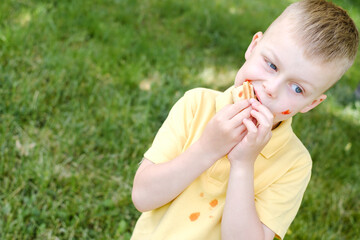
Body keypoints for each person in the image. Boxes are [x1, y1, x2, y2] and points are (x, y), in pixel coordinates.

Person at [131, 0, 359, 239]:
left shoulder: (294, 163)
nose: (271, 88)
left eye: (298, 89)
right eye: (271, 65)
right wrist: (208, 149)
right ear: (253, 46)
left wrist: (243, 164)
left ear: (311, 103)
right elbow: (143, 196)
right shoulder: (196, 105)